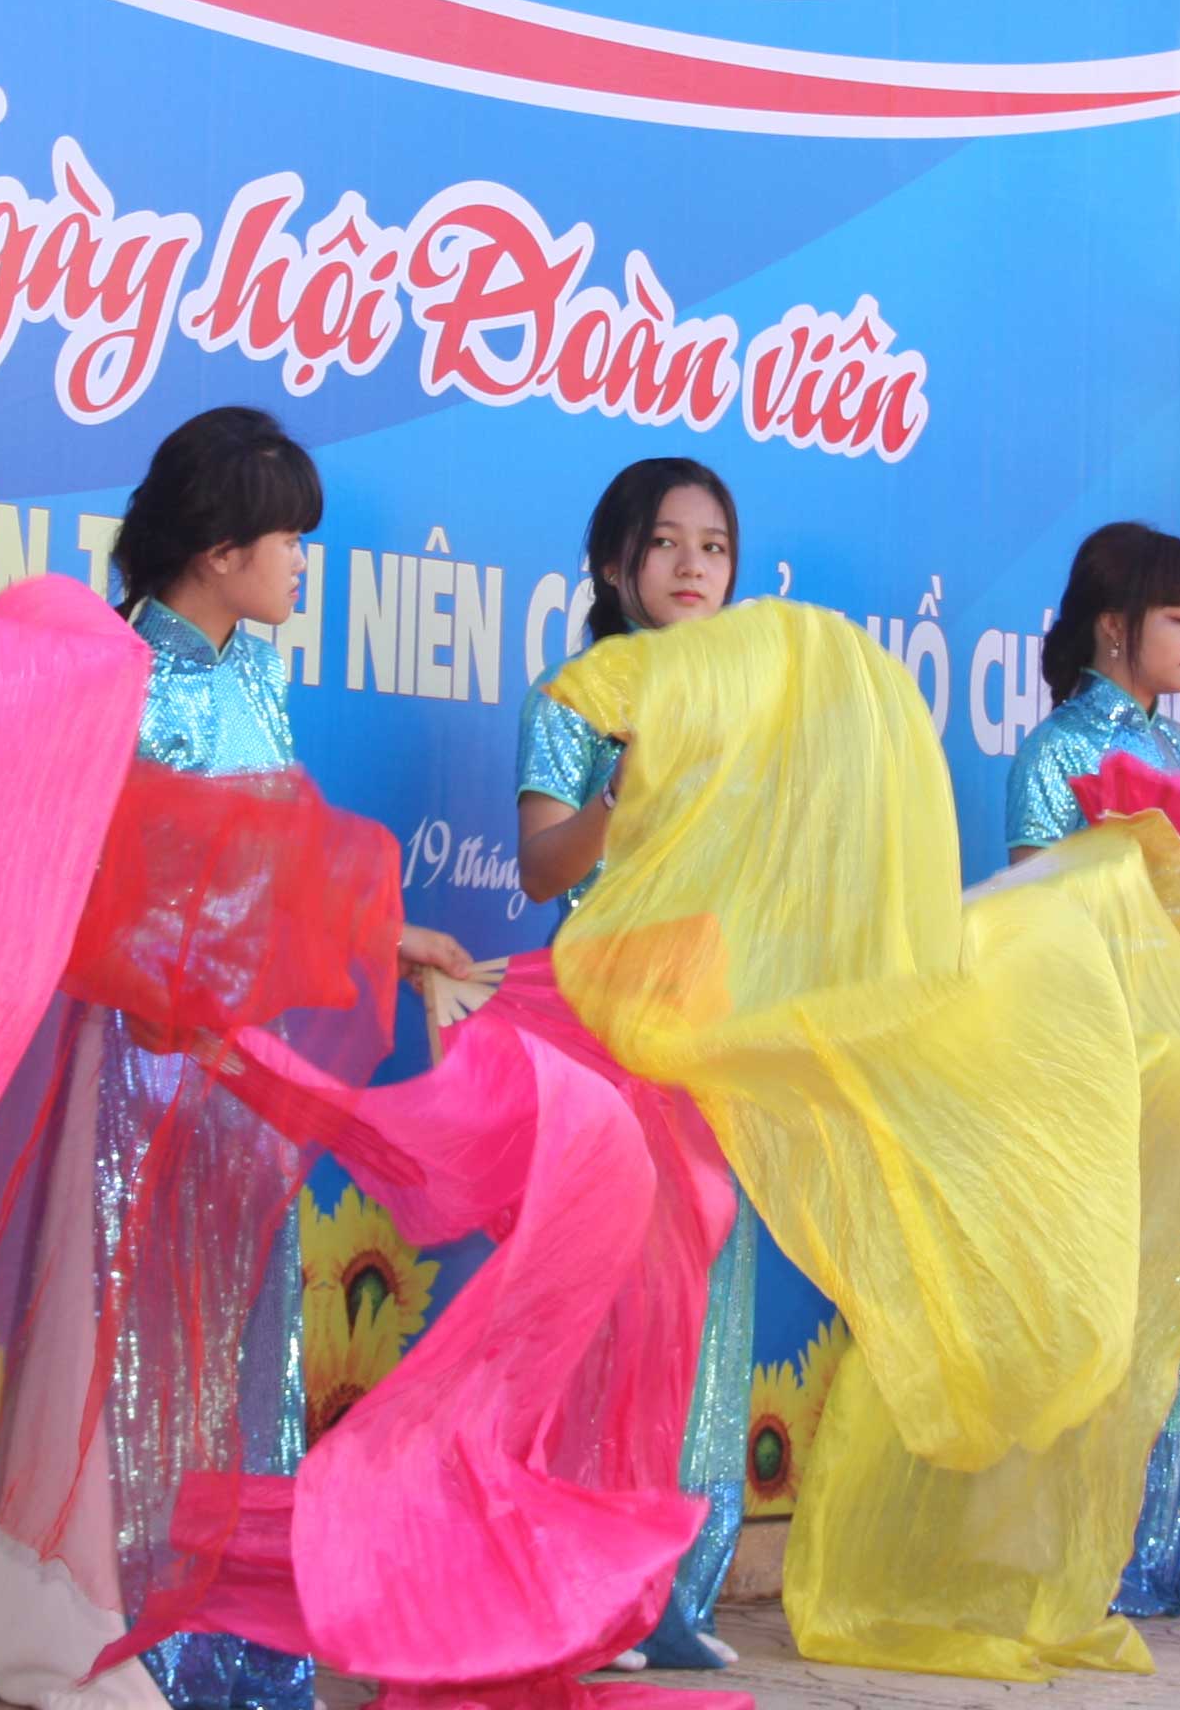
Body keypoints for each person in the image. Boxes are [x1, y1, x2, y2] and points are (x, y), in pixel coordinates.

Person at [0, 404, 468, 1710]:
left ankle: (246, 1652)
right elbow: (82, 891)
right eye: (289, 541)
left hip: (244, 1073)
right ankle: (123, 1644)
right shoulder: (110, 675)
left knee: (248, 1348)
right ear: (217, 550)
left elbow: (284, 870)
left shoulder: (256, 674)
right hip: (140, 1061)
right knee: (131, 1350)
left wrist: (385, 937)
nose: (303, 564)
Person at [513, 454, 753, 1670]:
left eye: (714, 547)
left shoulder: (749, 702)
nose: (692, 566)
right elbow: (540, 869)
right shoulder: (577, 696)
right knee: (611, 1303)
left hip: (714, 1031)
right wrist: (621, 792)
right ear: (616, 565)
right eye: (666, 543)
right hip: (602, 1031)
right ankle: (579, 1584)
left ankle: (669, 1594)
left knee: (704, 1308)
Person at [1000, 521, 1180, 1619]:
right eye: (1178, 617)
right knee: (1103, 1288)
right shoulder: (1054, 754)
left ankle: (1168, 1554)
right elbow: (1032, 915)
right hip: (1097, 1053)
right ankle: (1085, 1550)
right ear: (1113, 626)